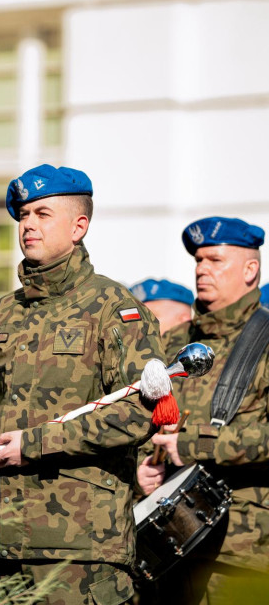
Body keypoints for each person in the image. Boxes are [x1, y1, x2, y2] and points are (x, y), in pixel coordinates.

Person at [0, 164, 168, 605]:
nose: (28, 224)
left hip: (81, 547)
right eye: (23, 215)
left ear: (79, 226)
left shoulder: (115, 309)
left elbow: (141, 411)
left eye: (42, 213)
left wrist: (35, 444)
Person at [137, 216, 269, 603]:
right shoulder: (173, 343)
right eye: (198, 260)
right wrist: (140, 467)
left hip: (242, 553)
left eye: (215, 260)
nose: (202, 270)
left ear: (251, 269)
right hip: (166, 551)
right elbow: (137, 422)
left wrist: (196, 444)